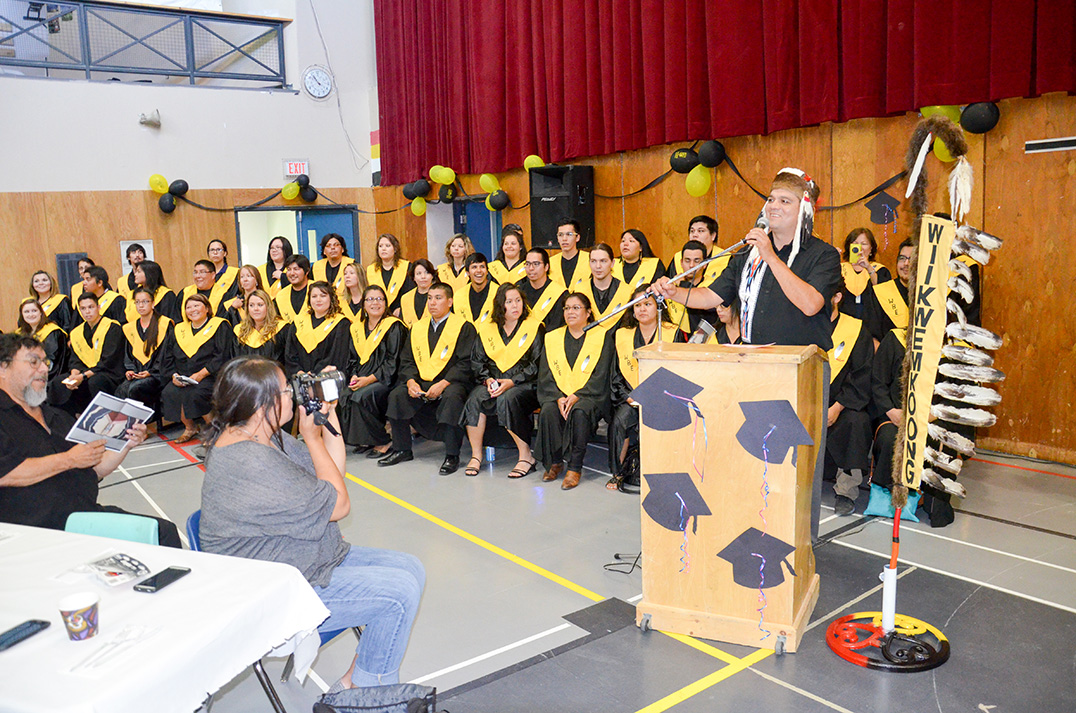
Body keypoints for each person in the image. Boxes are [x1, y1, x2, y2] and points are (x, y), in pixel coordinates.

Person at [199, 355, 424, 690]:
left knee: (411, 568)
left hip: (300, 558)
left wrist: (327, 421)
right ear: (264, 403)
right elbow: (339, 504)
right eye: (287, 390)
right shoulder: (250, 461)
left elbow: (332, 474)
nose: (294, 395)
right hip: (274, 588)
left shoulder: (261, 433)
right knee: (398, 594)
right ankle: (363, 692)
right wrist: (313, 437)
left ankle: (356, 679)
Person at [0, 334, 181, 547]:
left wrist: (127, 442)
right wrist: (69, 459)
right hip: (36, 531)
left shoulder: (55, 417)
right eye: (33, 362)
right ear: (3, 367)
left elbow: (95, 469)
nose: (43, 369)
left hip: (84, 518)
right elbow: (7, 474)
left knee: (162, 532)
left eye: (45, 362)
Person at [652, 168, 841, 350]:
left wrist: (771, 258)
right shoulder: (749, 254)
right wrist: (673, 292)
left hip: (801, 364)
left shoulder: (824, 255)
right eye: (771, 199)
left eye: (785, 201)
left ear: (804, 211)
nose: (774, 206)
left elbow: (810, 305)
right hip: (754, 359)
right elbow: (710, 296)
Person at [381, 283, 477, 474]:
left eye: (438, 298)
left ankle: (452, 455)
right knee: (397, 395)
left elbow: (466, 363)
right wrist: (410, 381)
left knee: (452, 397)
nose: (432, 303)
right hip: (422, 380)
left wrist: (443, 383)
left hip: (451, 382)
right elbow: (407, 359)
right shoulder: (418, 328)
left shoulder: (463, 327)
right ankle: (402, 449)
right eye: (430, 298)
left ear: (450, 301)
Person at [461, 283, 543, 478]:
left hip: (526, 385)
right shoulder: (488, 330)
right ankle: (476, 455)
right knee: (475, 398)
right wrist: (487, 380)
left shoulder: (534, 328)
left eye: (518, 301)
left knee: (508, 398)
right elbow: (478, 361)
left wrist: (512, 381)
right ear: (500, 305)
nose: (515, 306)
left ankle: (526, 456)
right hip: (494, 383)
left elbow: (536, 364)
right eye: (509, 302)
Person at [535, 292, 614, 490]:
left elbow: (602, 374)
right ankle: (554, 462)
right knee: (549, 410)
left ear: (588, 312)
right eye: (567, 308)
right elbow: (545, 374)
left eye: (576, 308)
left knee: (580, 411)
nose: (570, 312)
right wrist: (557, 397)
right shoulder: (552, 338)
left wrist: (578, 395)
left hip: (590, 395)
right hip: (559, 393)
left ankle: (575, 467)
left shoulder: (602, 336)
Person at [608, 286, 680, 488]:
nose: (642, 309)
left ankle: (661, 471)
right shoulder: (622, 335)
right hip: (630, 397)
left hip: (663, 398)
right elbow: (616, 375)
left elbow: (676, 373)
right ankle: (618, 472)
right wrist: (629, 397)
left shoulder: (672, 333)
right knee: (620, 421)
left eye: (647, 304)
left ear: (658, 306)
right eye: (637, 305)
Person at [824, 285, 874, 516]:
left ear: (837, 297)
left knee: (857, 421)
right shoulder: (801, 325)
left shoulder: (855, 329)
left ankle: (846, 491)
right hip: (806, 400)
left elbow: (862, 375)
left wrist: (836, 407)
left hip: (841, 405)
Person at [159, 294, 233, 443]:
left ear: (206, 308)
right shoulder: (179, 329)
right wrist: (174, 376)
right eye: (188, 307)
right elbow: (167, 357)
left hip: (211, 375)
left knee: (196, 393)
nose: (192, 310)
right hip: (183, 376)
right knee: (170, 392)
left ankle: (214, 430)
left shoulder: (219, 325)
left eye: (196, 305)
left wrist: (201, 374)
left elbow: (222, 355)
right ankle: (190, 428)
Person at [343, 285, 404, 458]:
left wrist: (369, 379)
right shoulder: (357, 328)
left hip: (387, 380)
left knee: (362, 396)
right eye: (370, 299)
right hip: (363, 377)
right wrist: (354, 376)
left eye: (379, 299)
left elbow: (393, 362)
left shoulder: (394, 327)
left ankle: (384, 440)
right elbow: (352, 358)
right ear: (363, 304)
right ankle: (366, 439)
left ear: (386, 303)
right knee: (345, 395)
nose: (375, 303)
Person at [55, 293, 125, 414]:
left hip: (110, 373)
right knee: (60, 383)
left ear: (98, 307)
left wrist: (82, 376)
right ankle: (71, 421)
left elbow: (108, 361)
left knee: (95, 381)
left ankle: (104, 418)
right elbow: (75, 360)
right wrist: (74, 375)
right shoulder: (77, 332)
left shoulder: (111, 327)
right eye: (83, 308)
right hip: (86, 372)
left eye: (91, 307)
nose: (87, 311)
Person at [115, 286, 173, 418]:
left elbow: (166, 355)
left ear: (153, 303)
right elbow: (128, 354)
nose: (141, 305)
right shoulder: (130, 328)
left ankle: (140, 425)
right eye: (137, 302)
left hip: (158, 375)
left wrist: (151, 372)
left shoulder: (164, 324)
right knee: (121, 389)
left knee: (136, 389)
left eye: (145, 302)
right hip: (138, 373)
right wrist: (130, 370)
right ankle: (125, 426)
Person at [283, 281, 352, 380]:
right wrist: (300, 372)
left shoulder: (341, 324)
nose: (318, 300)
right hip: (299, 378)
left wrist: (315, 373)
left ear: (331, 298)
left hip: (327, 378)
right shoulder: (299, 321)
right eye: (314, 296)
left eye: (323, 296)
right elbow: (290, 353)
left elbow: (337, 355)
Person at [862, 238, 913, 348]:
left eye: (912, 259)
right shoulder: (884, 292)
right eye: (902, 259)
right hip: (889, 360)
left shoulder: (930, 296)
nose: (906, 263)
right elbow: (871, 336)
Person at [664, 240, 719, 335]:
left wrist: (683, 285)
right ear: (681, 263)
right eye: (687, 260)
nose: (691, 265)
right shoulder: (671, 286)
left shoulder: (712, 286)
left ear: (705, 264)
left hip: (701, 342)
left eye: (697, 261)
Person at [576, 244, 634, 334]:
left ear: (612, 263)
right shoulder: (579, 290)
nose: (598, 266)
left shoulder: (628, 292)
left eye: (603, 261)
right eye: (593, 261)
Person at [839, 227, 891, 319]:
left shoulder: (880, 270)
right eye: (855, 243)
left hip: (871, 327)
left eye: (864, 244)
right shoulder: (840, 269)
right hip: (844, 326)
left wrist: (868, 267)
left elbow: (884, 294)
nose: (859, 248)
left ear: (871, 248)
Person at [665, 215, 728, 284]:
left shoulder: (725, 258)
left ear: (713, 236)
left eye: (700, 231)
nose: (694, 235)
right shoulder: (678, 257)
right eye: (692, 231)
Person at [16, 298, 66, 382]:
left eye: (34, 311)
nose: (30, 315)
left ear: (41, 313)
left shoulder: (52, 332)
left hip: (47, 377)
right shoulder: (19, 333)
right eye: (26, 312)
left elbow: (52, 361)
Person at [518, 247, 567, 329]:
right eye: (527, 264)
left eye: (536, 264)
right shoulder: (519, 292)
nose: (531, 268)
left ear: (546, 267)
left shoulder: (560, 294)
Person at [233, 289, 287, 362]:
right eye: (251, 305)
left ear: (268, 307)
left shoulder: (281, 329)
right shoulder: (240, 330)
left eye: (260, 305)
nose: (255, 309)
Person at [366, 233, 411, 314]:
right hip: (378, 313)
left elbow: (410, 293)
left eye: (387, 246)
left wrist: (402, 308)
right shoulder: (371, 270)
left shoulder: (406, 267)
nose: (383, 249)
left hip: (401, 313)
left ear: (395, 248)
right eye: (380, 246)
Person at [124, 260, 176, 325]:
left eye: (139, 272)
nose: (135, 274)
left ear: (149, 274)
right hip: (134, 331)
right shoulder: (132, 294)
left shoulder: (166, 294)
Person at [454, 252, 498, 325]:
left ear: (487, 271)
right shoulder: (459, 295)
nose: (479, 271)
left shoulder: (498, 292)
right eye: (474, 267)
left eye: (482, 267)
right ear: (467, 272)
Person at [548, 219, 590, 292]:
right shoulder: (550, 262)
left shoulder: (589, 259)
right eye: (560, 235)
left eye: (569, 234)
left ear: (577, 237)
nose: (564, 239)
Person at [275, 254, 312, 323]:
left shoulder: (318, 289)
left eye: (296, 269)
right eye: (288, 269)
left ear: (307, 271)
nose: (292, 273)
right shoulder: (281, 295)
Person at [398, 259, 435, 327]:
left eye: (427, 272)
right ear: (414, 277)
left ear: (432, 275)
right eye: (419, 273)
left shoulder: (440, 295)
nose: (423, 277)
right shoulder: (405, 298)